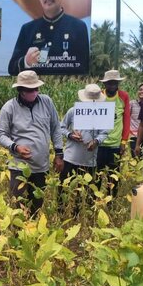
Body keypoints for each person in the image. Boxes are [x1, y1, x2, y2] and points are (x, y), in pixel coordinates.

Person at [0, 70, 63, 216]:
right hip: (18, 165)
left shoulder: (46, 102)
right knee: (17, 203)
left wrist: (59, 153)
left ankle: (32, 233)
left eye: (35, 89)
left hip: (41, 166)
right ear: (21, 90)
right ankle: (18, 234)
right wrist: (16, 147)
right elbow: (1, 135)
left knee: (37, 204)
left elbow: (56, 128)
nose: (33, 92)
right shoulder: (10, 107)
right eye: (29, 89)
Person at [7, 0, 89, 76]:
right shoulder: (28, 29)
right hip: (36, 90)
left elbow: (84, 68)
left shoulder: (79, 27)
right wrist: (26, 61)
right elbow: (12, 69)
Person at [59, 84, 108, 215]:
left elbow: (104, 133)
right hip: (70, 157)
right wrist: (70, 135)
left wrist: (96, 141)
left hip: (89, 160)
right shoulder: (73, 111)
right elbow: (61, 127)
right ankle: (61, 212)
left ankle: (81, 214)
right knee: (64, 187)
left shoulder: (102, 114)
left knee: (87, 190)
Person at [96, 70, 130, 193]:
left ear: (118, 84)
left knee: (114, 176)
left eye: (114, 83)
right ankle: (95, 200)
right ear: (105, 84)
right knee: (97, 176)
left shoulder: (123, 96)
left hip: (115, 144)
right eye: (109, 83)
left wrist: (124, 141)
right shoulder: (98, 95)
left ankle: (111, 203)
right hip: (99, 143)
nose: (112, 86)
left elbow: (126, 119)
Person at [129, 83, 143, 157]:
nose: (142, 91)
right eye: (140, 90)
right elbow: (126, 118)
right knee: (135, 159)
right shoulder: (132, 103)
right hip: (134, 136)